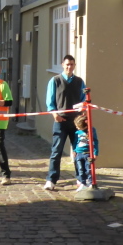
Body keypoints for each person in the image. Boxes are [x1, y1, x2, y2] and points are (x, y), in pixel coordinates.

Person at [43, 55, 87, 191]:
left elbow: (83, 99)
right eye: (67, 64)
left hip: (76, 123)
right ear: (63, 65)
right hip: (60, 121)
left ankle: (81, 179)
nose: (69, 67)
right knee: (56, 151)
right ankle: (51, 179)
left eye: (72, 64)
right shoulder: (55, 80)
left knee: (79, 151)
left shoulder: (79, 82)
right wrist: (55, 114)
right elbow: (50, 101)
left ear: (74, 66)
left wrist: (83, 111)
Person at [73, 114, 98, 192]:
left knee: (89, 170)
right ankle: (82, 183)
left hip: (88, 154)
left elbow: (95, 142)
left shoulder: (91, 131)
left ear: (86, 126)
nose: (77, 128)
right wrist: (74, 150)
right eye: (76, 126)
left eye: (79, 127)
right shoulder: (77, 132)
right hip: (79, 154)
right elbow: (75, 142)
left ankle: (90, 183)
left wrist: (95, 153)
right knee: (80, 169)